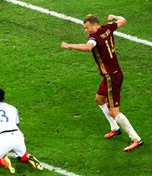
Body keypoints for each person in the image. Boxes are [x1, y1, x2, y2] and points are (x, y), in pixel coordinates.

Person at [60, 14, 143, 152]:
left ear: (94, 25)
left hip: (111, 77)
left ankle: (136, 138)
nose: (86, 30)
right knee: (99, 99)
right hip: (112, 74)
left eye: (87, 28)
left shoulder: (95, 37)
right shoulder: (107, 28)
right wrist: (114, 16)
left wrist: (69, 45)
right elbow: (123, 20)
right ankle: (115, 128)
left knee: (114, 112)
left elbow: (88, 47)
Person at [0, 88, 44, 174]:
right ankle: (27, 156)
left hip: (3, 139)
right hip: (18, 136)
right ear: (4, 97)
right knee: (20, 156)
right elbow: (17, 126)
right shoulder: (12, 108)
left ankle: (3, 161)